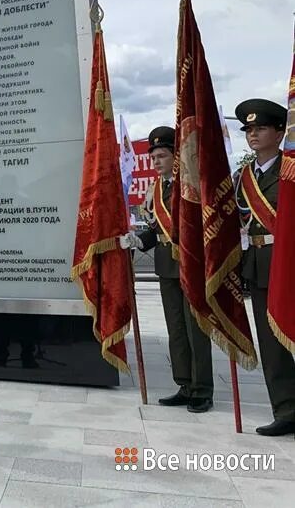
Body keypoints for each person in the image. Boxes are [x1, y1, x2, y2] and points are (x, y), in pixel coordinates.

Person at [125, 126, 213, 413]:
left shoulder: (190, 184)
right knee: (175, 328)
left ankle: (202, 389)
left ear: (177, 156)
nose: (156, 161)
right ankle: (184, 384)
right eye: (153, 157)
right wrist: (138, 240)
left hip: (189, 262)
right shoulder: (157, 188)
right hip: (165, 263)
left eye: (162, 155)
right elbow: (156, 227)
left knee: (194, 329)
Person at [234, 99, 295, 436]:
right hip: (258, 267)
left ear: (280, 132)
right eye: (249, 130)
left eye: (260, 129)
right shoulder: (243, 176)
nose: (253, 134)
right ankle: (286, 409)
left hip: (289, 263)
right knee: (272, 344)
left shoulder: (291, 168)